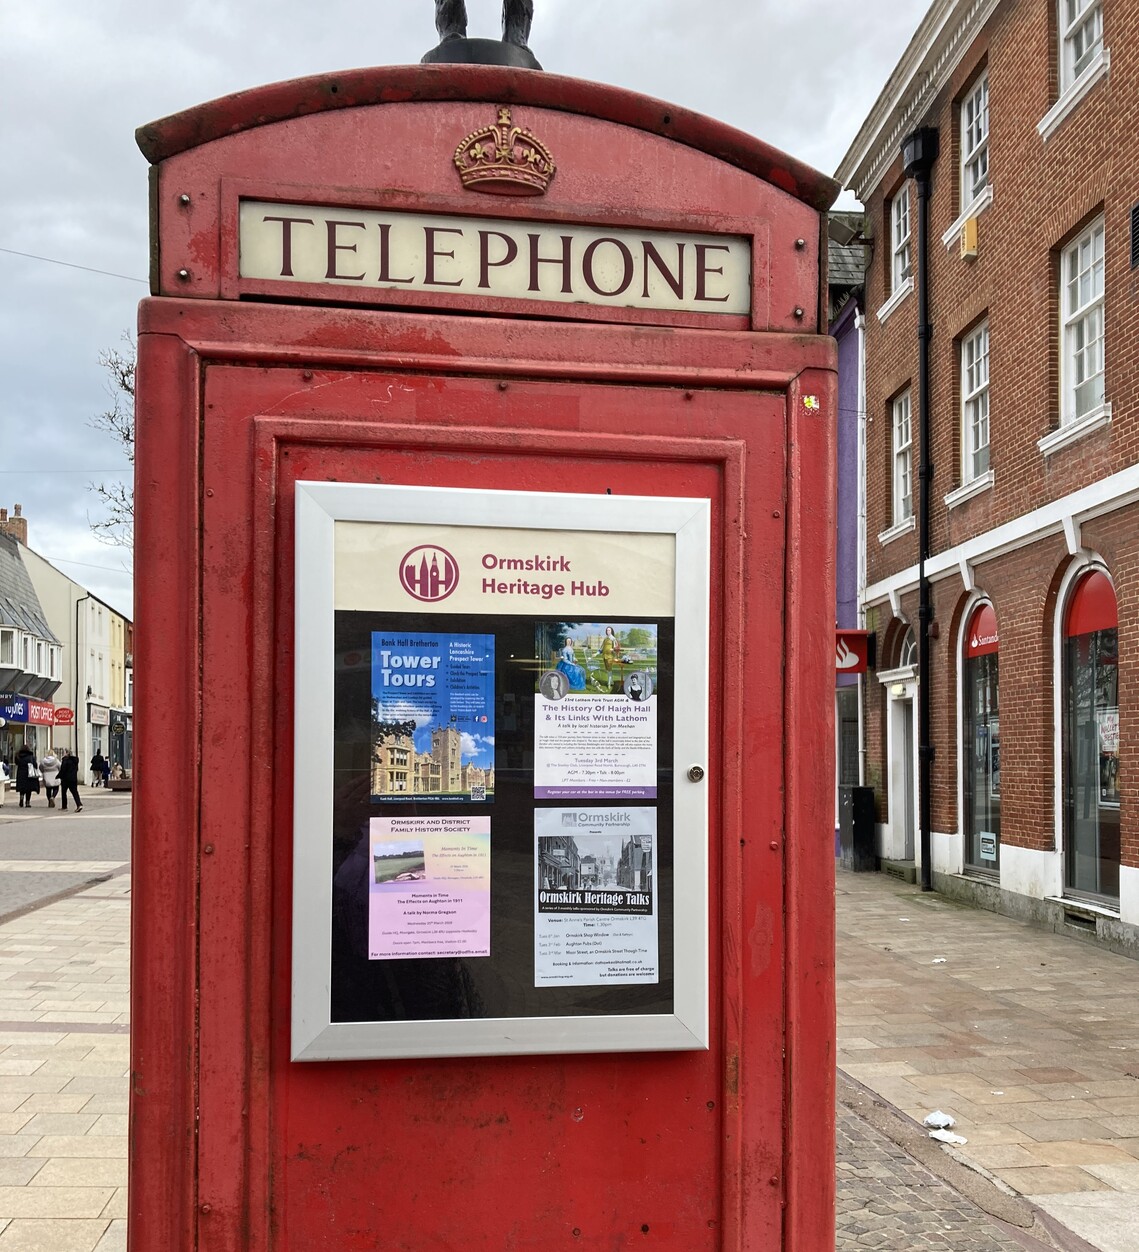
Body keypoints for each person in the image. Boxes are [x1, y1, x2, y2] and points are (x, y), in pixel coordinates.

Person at [598, 625, 622, 692]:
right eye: (607, 630)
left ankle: (609, 684)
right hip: (604, 656)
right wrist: (596, 653)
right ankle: (611, 682)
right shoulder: (605, 639)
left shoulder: (613, 639)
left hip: (610, 656)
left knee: (609, 670)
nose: (607, 631)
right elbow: (601, 648)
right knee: (608, 670)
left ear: (611, 631)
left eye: (609, 630)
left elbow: (616, 647)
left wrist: (613, 649)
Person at [14, 743, 38, 808]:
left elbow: (16, 763)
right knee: (28, 789)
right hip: (29, 774)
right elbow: (35, 765)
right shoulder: (30, 756)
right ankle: (27, 802)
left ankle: (21, 798)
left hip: (21, 774)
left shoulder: (18, 756)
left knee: (22, 788)